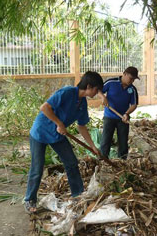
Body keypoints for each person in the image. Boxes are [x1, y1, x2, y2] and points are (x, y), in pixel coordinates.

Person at [24, 71, 104, 214]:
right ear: (89, 86)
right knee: (37, 167)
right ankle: (29, 199)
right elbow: (45, 107)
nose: (97, 92)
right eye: (96, 89)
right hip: (40, 132)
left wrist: (92, 145)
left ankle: (78, 195)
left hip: (57, 135)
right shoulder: (67, 92)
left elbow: (82, 126)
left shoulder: (82, 104)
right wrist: (59, 123)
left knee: (72, 163)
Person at [99, 66, 139, 160]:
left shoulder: (132, 89)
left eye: (134, 79)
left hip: (123, 118)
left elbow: (134, 104)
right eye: (131, 78)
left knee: (123, 141)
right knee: (106, 139)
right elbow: (99, 90)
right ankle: (103, 160)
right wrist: (103, 97)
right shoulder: (111, 82)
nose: (132, 81)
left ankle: (122, 161)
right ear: (124, 74)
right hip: (109, 116)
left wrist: (127, 113)